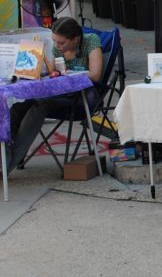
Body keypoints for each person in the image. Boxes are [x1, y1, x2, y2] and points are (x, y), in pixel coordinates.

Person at [7, 17, 103, 171]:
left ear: (75, 39)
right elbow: (52, 73)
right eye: (55, 41)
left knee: (39, 106)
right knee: (16, 109)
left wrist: (69, 78)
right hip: (59, 95)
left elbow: (96, 75)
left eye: (62, 43)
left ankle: (7, 165)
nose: (57, 46)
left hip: (83, 99)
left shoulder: (90, 40)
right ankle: (4, 158)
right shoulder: (57, 48)